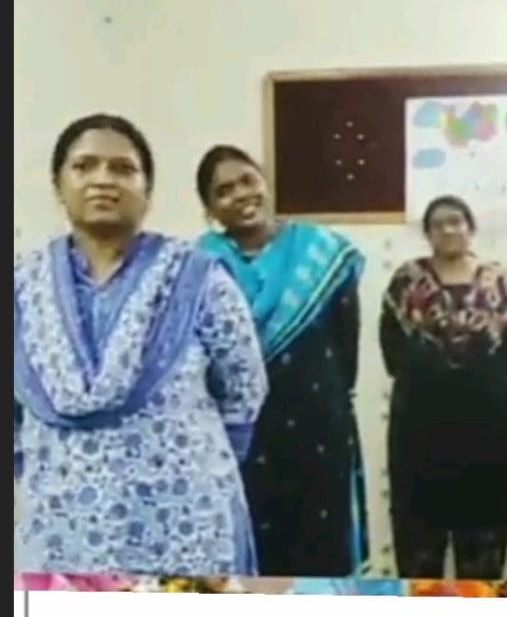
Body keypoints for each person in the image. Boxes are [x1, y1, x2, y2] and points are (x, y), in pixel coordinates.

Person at [13, 114, 267, 576]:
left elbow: (244, 384)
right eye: (84, 166)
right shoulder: (22, 287)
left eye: (123, 169)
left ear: (147, 190)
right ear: (58, 185)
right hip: (60, 527)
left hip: (185, 523)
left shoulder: (198, 279)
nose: (103, 179)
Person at [196, 145, 369, 577]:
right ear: (210, 209)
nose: (240, 194)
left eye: (247, 181)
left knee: (321, 558)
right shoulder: (198, 267)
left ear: (266, 183)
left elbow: (346, 344)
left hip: (318, 430)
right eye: (223, 191)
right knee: (252, 560)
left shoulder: (323, 252)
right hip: (239, 439)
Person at [380, 195, 507, 579]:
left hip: (485, 433)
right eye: (438, 224)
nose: (449, 230)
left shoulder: (503, 285)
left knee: (482, 554)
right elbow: (392, 352)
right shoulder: (406, 282)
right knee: (419, 553)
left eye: (456, 221)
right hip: (418, 431)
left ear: (471, 228)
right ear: (427, 233)